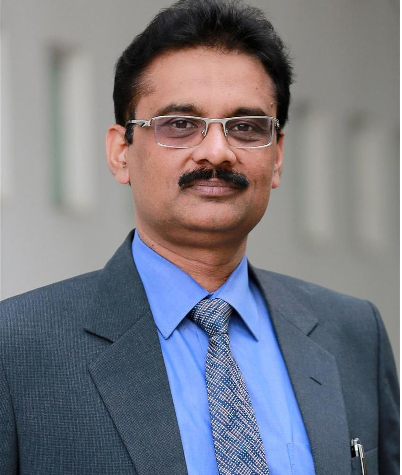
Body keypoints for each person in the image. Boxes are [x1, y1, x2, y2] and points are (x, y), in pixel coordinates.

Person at [0, 0, 399, 474]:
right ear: (121, 152)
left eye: (245, 127)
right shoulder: (17, 347)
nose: (217, 151)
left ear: (277, 158)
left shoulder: (353, 334)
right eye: (180, 125)